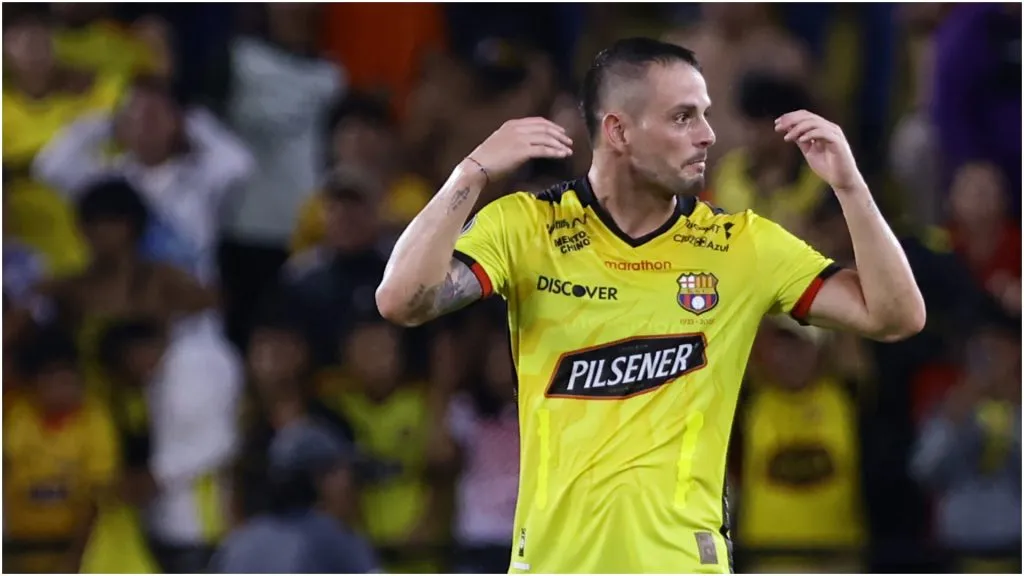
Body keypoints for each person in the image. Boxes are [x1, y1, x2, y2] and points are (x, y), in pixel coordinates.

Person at [376, 38, 926, 573]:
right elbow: (401, 299)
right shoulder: (527, 227)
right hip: (554, 565)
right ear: (618, 130)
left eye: (705, 115)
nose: (709, 135)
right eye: (684, 117)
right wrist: (471, 172)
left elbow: (896, 316)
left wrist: (851, 189)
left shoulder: (742, 245)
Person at [212, 421, 379, 574]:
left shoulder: (239, 545)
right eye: (344, 472)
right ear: (320, 480)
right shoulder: (336, 541)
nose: (354, 486)